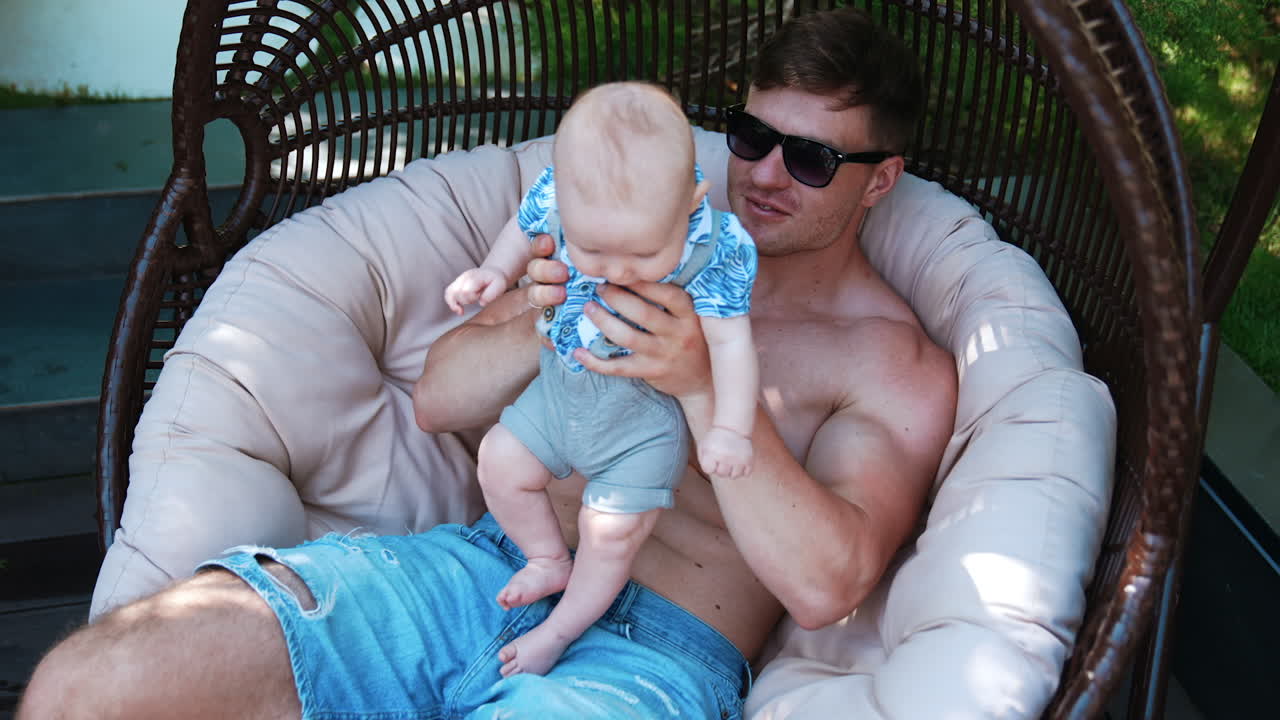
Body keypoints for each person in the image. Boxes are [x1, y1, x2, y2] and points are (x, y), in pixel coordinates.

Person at [18, 7, 957, 720]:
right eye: (752, 138)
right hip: (484, 573)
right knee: (88, 683)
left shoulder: (891, 362)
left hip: (655, 655)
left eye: (810, 160)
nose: (760, 175)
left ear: (882, 178)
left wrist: (706, 383)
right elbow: (436, 400)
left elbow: (826, 585)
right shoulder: (636, 234)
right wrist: (542, 309)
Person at [438, 80, 759, 676]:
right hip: (560, 391)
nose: (615, 270)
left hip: (640, 424)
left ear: (692, 200)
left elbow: (732, 342)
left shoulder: (713, 247)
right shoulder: (564, 198)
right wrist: (492, 271)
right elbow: (523, 225)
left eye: (640, 257)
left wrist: (732, 429)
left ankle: (559, 631)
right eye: (592, 250)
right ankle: (545, 559)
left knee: (609, 532)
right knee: (500, 463)